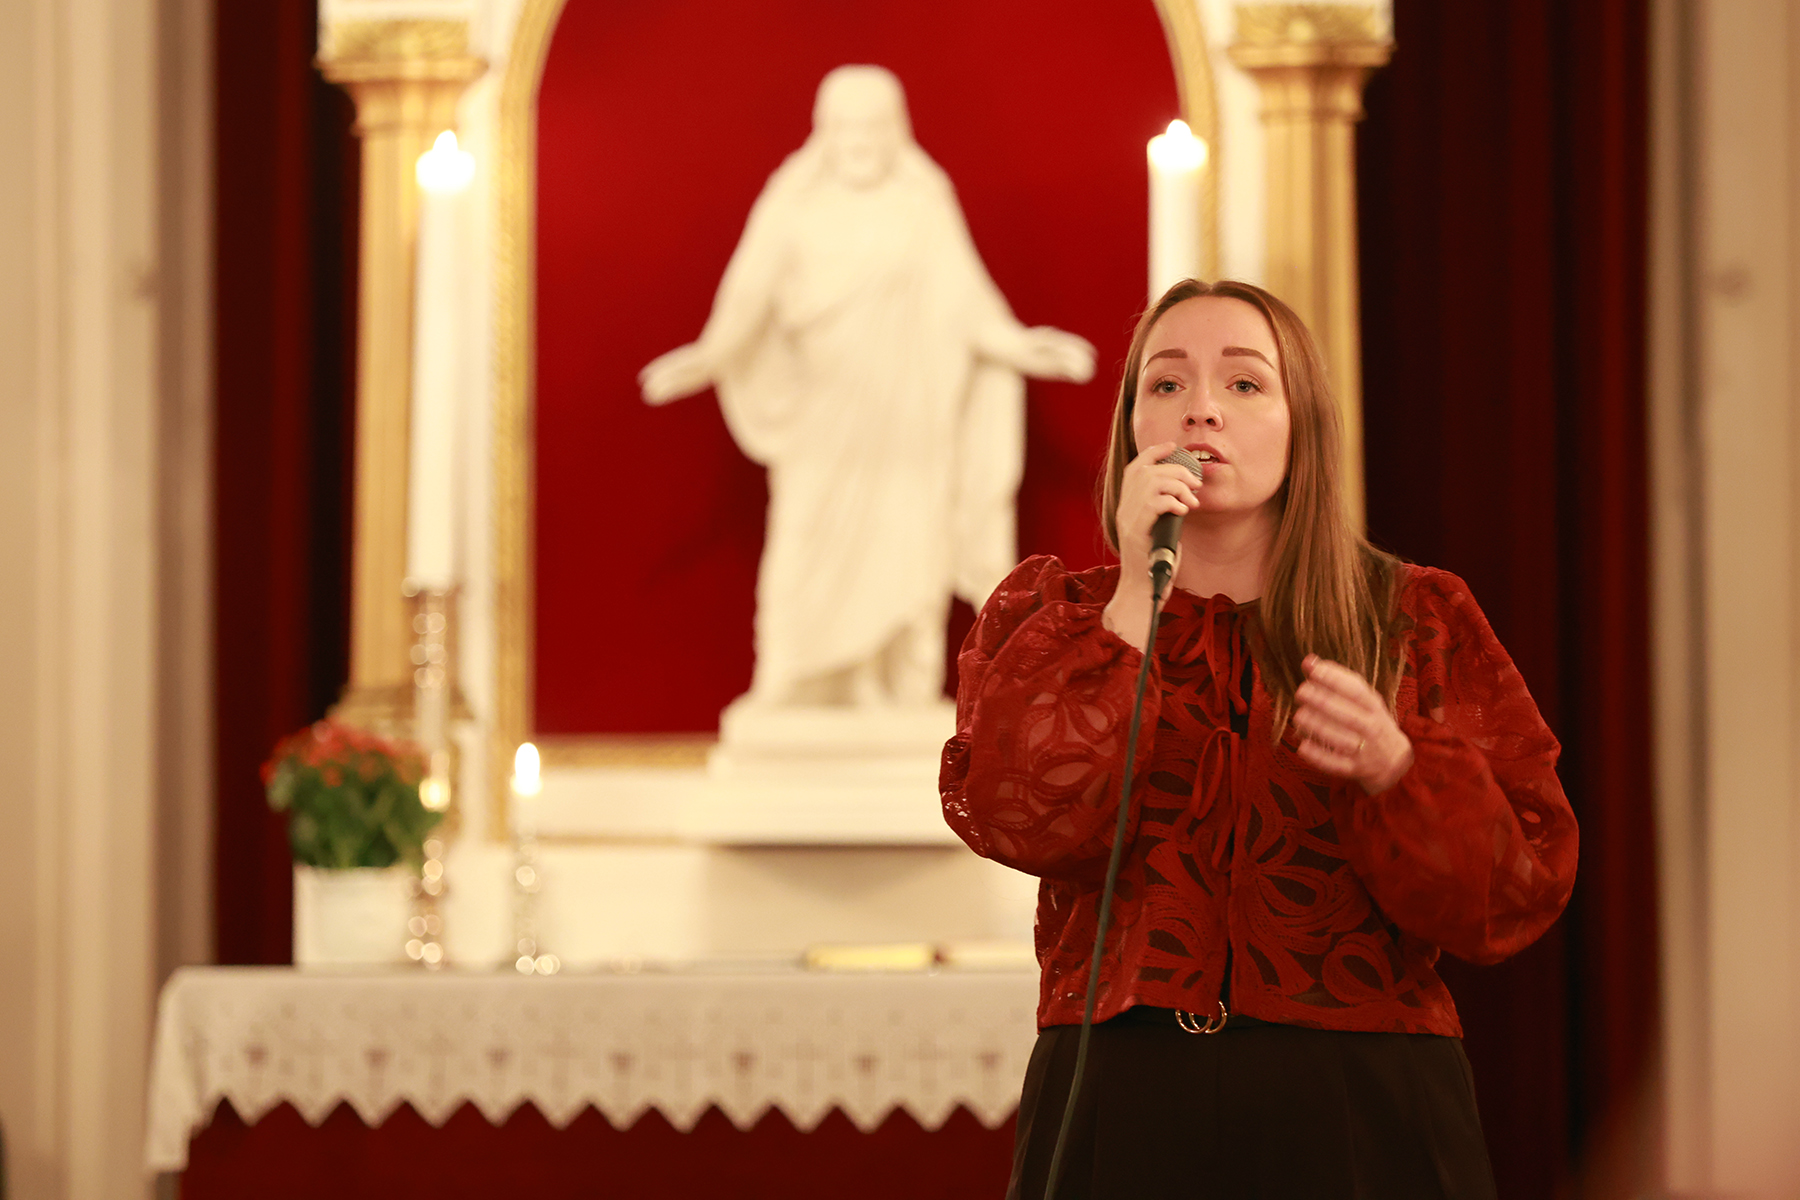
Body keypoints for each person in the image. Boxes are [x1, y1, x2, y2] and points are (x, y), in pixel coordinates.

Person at [940, 278, 1578, 1198]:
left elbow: (1514, 894)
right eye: (1166, 384)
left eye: (1244, 384)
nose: (1201, 409)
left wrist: (1397, 771)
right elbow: (1019, 819)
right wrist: (1133, 597)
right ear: (1131, 428)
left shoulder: (1413, 618)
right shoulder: (1057, 620)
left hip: (1359, 1102)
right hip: (1124, 1098)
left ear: (1300, 422)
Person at [641, 65, 1093, 709]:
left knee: (908, 542)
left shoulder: (922, 203)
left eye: (873, 127)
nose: (860, 141)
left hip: (910, 418)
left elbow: (963, 299)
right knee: (805, 536)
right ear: (825, 132)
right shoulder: (792, 207)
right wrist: (709, 355)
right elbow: (749, 296)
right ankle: (794, 677)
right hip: (825, 414)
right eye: (847, 127)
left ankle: (896, 684)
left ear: (895, 130)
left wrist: (1019, 344)